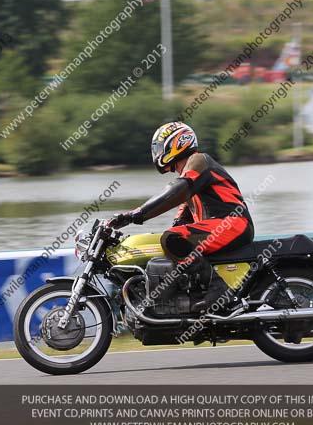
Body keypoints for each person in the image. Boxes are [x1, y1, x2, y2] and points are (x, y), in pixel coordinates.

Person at [108, 121, 254, 312]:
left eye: (160, 147)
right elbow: (180, 219)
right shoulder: (189, 182)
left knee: (172, 238)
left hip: (234, 224)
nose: (157, 152)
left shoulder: (199, 161)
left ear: (176, 143)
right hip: (223, 226)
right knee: (172, 238)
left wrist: (135, 214)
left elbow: (177, 189)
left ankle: (217, 289)